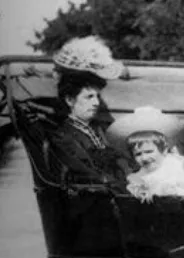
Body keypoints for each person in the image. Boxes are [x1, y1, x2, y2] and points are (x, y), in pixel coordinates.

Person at [48, 36, 129, 185]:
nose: (96, 103)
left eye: (97, 96)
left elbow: (117, 157)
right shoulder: (63, 137)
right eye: (89, 97)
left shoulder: (98, 129)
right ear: (70, 100)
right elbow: (87, 173)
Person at [105, 106, 184, 202]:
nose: (144, 158)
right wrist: (140, 192)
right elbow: (134, 187)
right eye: (138, 154)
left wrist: (156, 193)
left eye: (149, 152)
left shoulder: (175, 165)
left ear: (164, 150)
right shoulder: (139, 176)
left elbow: (183, 192)